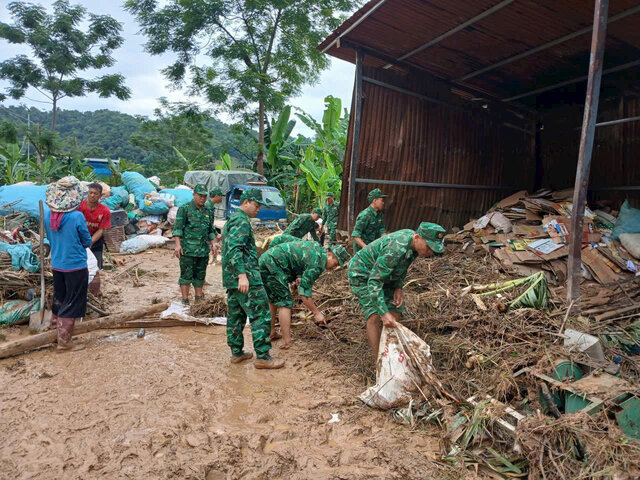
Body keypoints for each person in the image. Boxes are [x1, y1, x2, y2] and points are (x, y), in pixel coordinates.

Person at [348, 222, 446, 359]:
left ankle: (390, 353)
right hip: (362, 274)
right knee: (374, 314)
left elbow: (402, 266)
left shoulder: (414, 245)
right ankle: (380, 363)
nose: (430, 252)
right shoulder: (396, 249)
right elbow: (374, 281)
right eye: (429, 247)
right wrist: (383, 312)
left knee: (395, 310)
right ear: (417, 237)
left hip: (381, 274)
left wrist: (398, 287)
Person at [222, 188, 284, 369]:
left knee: (236, 315)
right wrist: (243, 275)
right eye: (256, 205)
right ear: (246, 202)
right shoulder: (241, 221)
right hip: (246, 278)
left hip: (232, 278)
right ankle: (263, 357)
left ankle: (236, 353)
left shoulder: (232, 219)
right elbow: (234, 249)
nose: (258, 210)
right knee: (261, 315)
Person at [260, 241, 350, 349]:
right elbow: (304, 293)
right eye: (335, 263)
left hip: (266, 261)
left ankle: (271, 332)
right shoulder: (318, 262)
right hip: (273, 266)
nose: (334, 267)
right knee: (285, 302)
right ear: (329, 255)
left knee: (273, 299)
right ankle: (287, 341)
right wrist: (316, 313)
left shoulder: (317, 249)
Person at [44, 176, 93, 351]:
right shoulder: (76, 216)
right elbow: (86, 241)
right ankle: (64, 341)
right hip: (75, 265)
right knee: (72, 301)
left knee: (59, 298)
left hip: (57, 263)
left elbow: (49, 239)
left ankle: (53, 335)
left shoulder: (48, 214)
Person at [173, 184, 219, 304]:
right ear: (194, 195)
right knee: (186, 275)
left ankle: (198, 299)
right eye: (200, 196)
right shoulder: (185, 209)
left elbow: (210, 230)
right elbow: (178, 229)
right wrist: (178, 245)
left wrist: (214, 243)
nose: (202, 198)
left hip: (203, 250)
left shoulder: (208, 210)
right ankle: (185, 299)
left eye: (204, 196)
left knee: (200, 275)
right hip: (188, 249)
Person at [77, 182, 111, 270]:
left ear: (100, 196)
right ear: (87, 193)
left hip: (96, 240)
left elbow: (101, 230)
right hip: (79, 238)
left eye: (95, 193)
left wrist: (90, 242)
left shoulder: (105, 211)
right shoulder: (79, 207)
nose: (92, 195)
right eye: (90, 192)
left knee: (97, 268)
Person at [352, 188, 388, 254]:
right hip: (362, 250)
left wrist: (386, 240)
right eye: (381, 200)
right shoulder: (365, 215)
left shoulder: (379, 214)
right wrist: (366, 248)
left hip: (372, 247)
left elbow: (381, 228)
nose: (383, 203)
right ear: (374, 201)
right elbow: (356, 236)